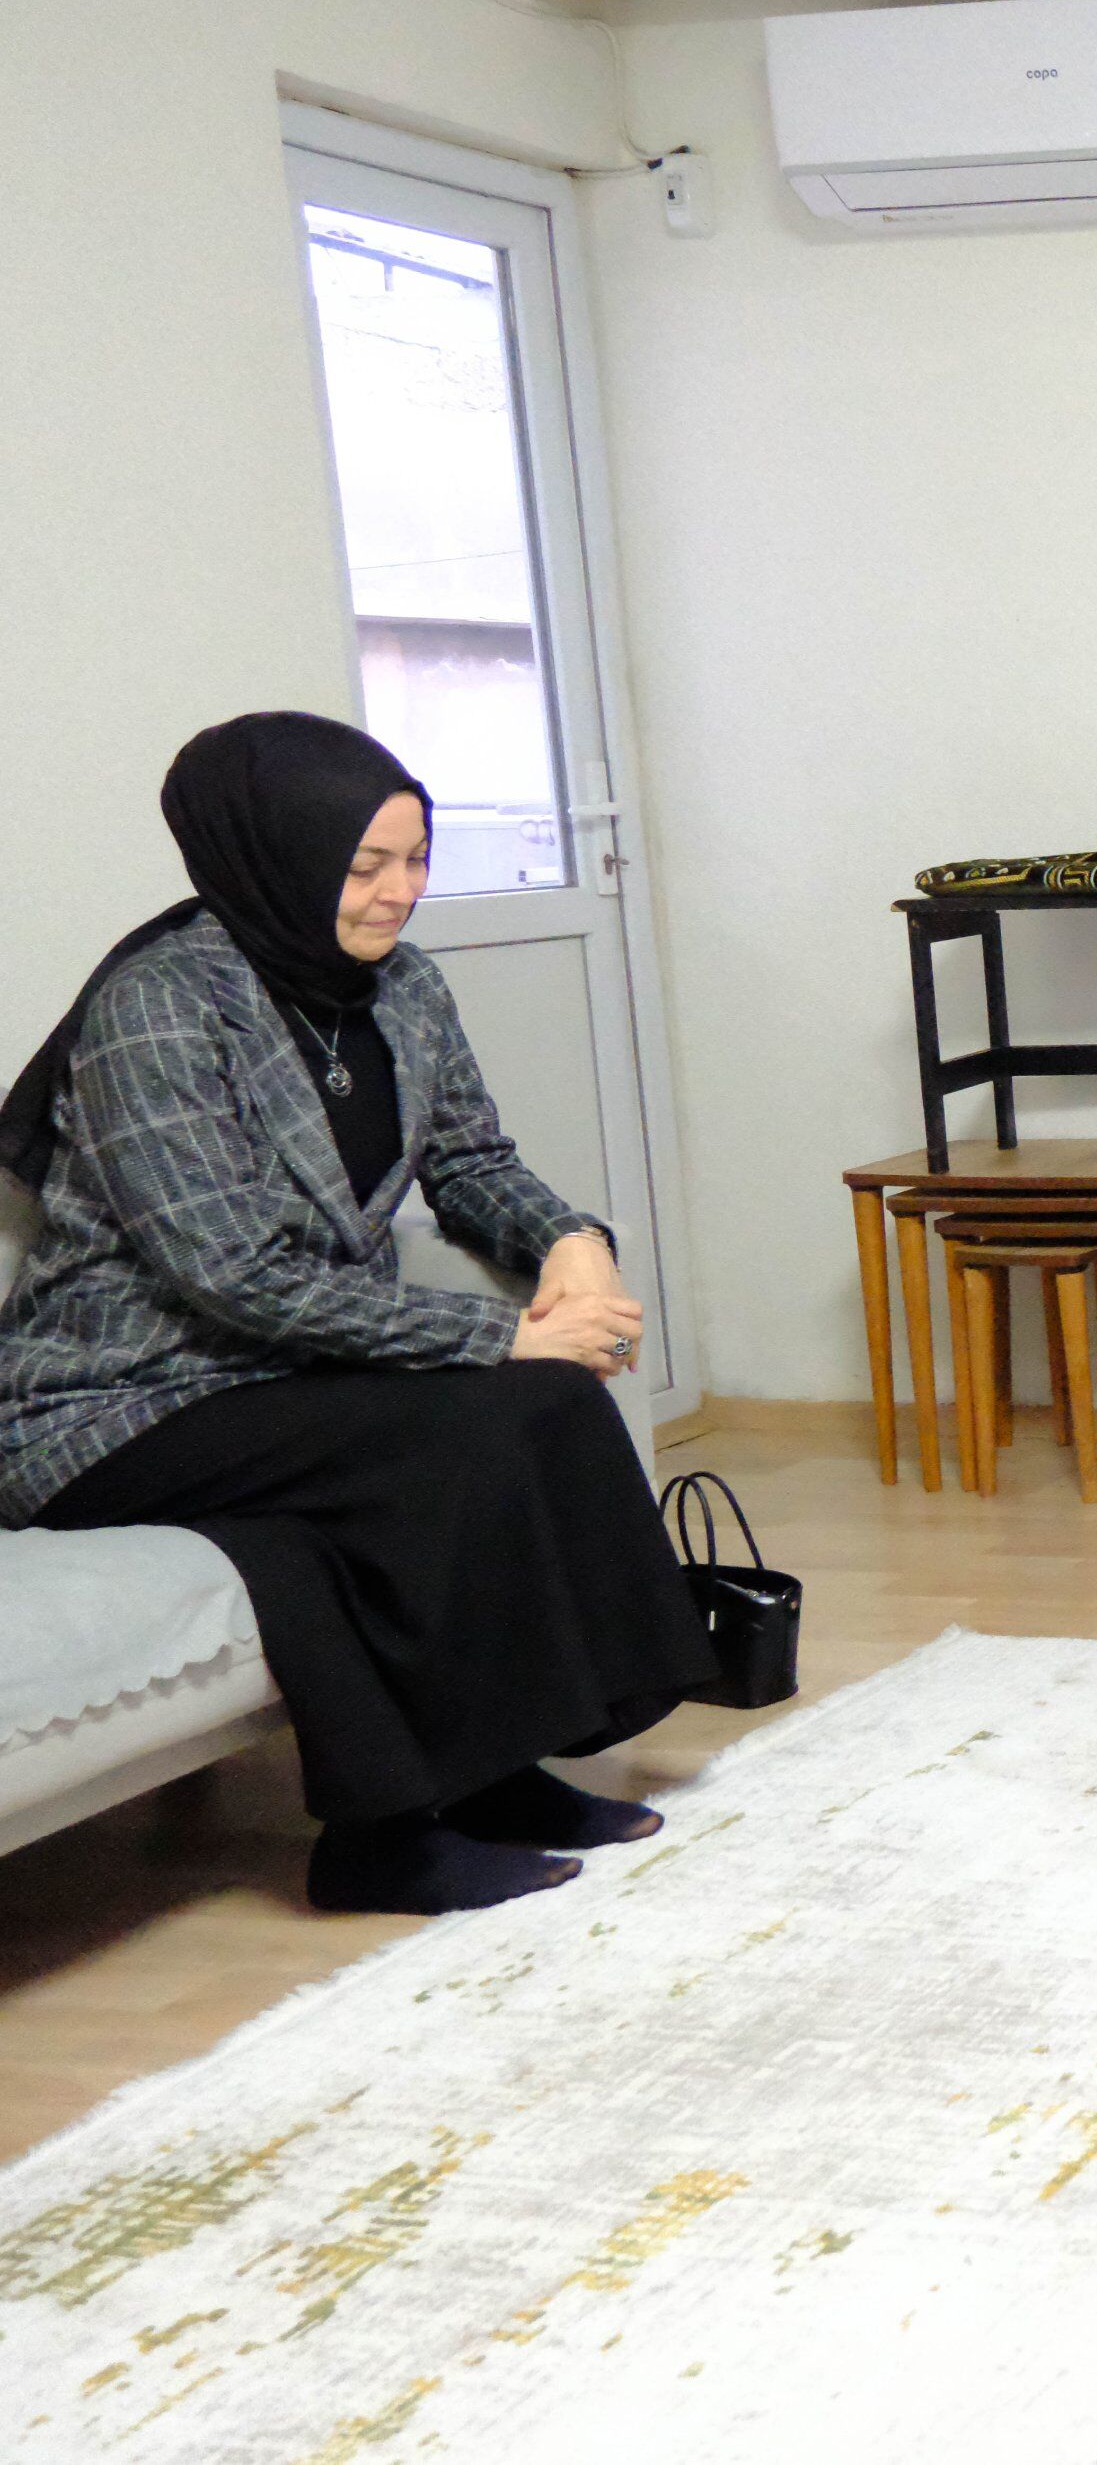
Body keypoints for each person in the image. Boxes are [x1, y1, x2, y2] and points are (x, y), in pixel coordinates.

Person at [0, 714, 720, 1915]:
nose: (400, 891)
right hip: (116, 1399)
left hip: (272, 1376)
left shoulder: (404, 987)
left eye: (416, 858)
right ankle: (389, 1839)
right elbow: (231, 1271)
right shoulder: (157, 1008)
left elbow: (471, 1160)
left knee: (546, 1400)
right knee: (464, 1430)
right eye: (365, 865)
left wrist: (570, 1241)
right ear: (272, 858)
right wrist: (499, 1332)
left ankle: (492, 1773)